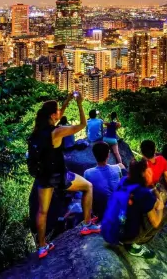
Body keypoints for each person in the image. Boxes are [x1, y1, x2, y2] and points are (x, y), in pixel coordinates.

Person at [31, 94, 101, 259]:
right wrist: (79, 104)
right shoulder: (57, 131)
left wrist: (68, 101)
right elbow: (82, 124)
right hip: (58, 176)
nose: (59, 112)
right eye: (57, 111)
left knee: (42, 211)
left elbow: (59, 114)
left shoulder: (38, 131)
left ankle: (42, 246)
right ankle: (87, 224)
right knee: (88, 187)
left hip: (43, 176)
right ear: (52, 115)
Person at [120, 158, 167, 259]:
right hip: (124, 235)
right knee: (166, 212)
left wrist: (155, 191)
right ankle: (135, 246)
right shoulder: (145, 195)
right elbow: (156, 222)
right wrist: (160, 206)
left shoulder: (124, 180)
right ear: (143, 173)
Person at [83, 142, 126, 220]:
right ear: (108, 155)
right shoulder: (117, 168)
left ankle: (88, 220)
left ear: (94, 155)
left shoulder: (87, 173)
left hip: (101, 212)